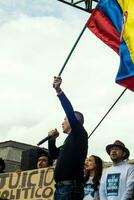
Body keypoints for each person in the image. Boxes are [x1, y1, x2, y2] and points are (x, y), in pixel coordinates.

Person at [48, 76, 88, 200]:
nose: (63, 122)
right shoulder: (70, 141)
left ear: (73, 121)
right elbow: (54, 155)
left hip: (70, 188)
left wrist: (59, 91)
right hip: (62, 188)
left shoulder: (79, 133)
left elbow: (69, 111)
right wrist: (52, 139)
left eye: (65, 119)